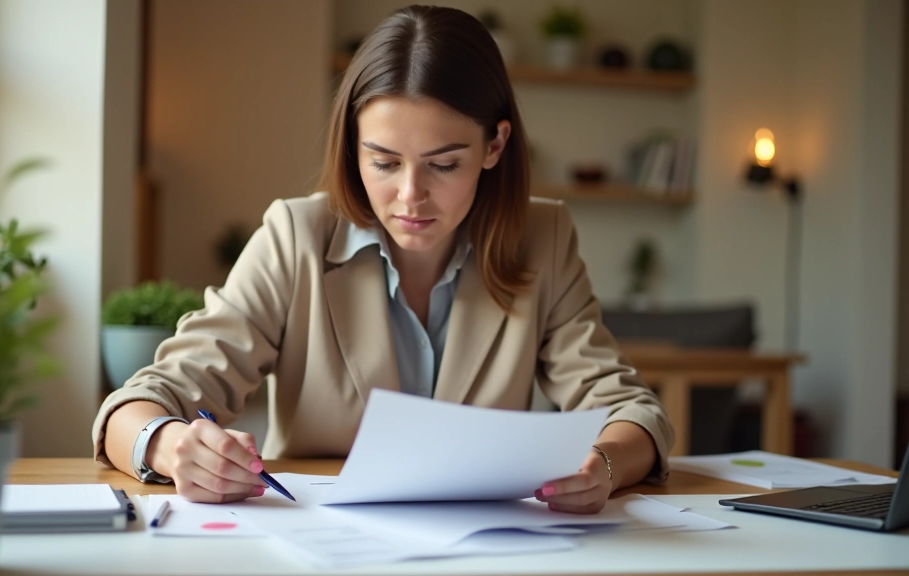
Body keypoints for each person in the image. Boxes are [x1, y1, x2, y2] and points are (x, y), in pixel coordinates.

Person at [93, 4, 674, 514]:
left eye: (444, 164)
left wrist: (602, 463)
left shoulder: (541, 237)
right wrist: (172, 446)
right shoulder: (296, 236)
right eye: (384, 161)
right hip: (325, 548)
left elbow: (630, 410)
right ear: (353, 145)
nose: (410, 195)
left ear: (495, 145)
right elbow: (144, 400)